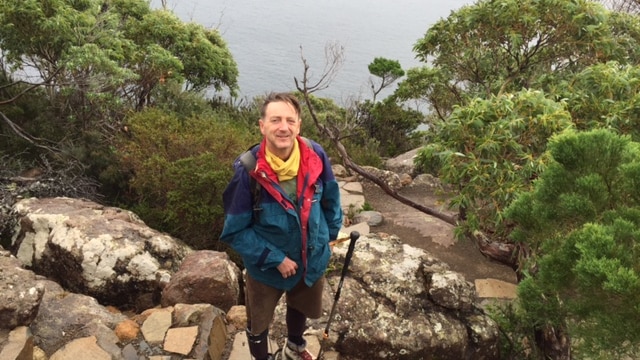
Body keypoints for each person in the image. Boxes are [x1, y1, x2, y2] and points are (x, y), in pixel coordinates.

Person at [220, 92, 343, 360]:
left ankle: (295, 346)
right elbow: (234, 231)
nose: (283, 127)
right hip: (266, 268)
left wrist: (328, 237)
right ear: (262, 126)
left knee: (300, 305)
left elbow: (331, 200)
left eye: (290, 120)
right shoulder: (248, 171)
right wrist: (275, 259)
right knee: (258, 322)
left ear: (299, 125)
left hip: (310, 259)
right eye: (275, 120)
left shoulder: (315, 155)